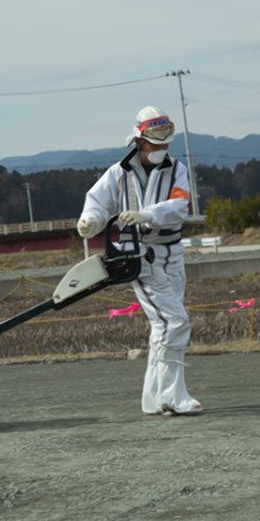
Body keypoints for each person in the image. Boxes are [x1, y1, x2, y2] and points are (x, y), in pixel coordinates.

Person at [77, 106, 202, 415]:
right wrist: (89, 222)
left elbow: (179, 205)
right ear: (139, 140)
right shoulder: (118, 173)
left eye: (166, 141)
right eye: (156, 142)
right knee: (175, 321)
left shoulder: (177, 169)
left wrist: (147, 213)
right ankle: (174, 396)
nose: (162, 148)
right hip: (139, 254)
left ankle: (154, 398)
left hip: (172, 253)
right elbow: (97, 204)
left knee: (162, 326)